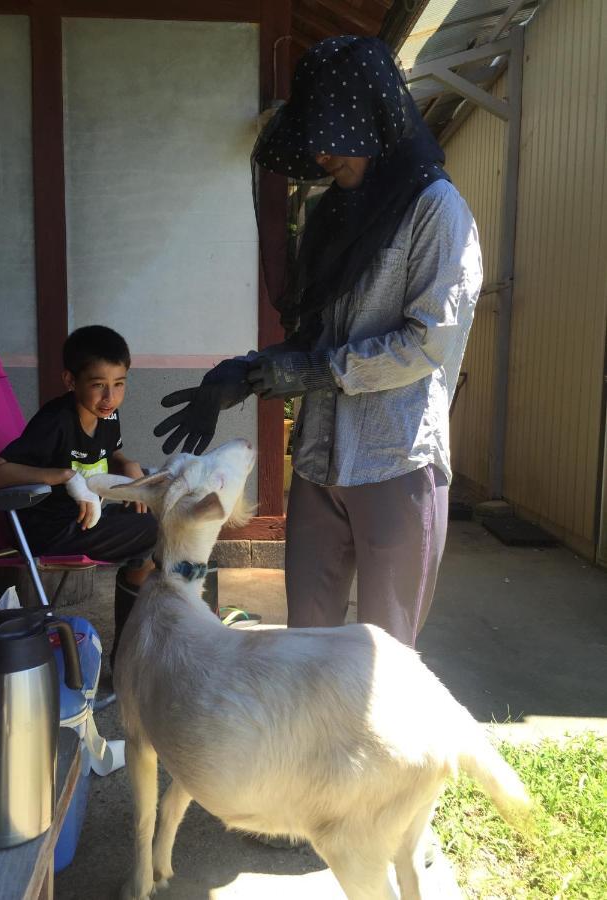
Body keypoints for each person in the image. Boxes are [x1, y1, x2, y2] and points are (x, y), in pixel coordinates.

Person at [155, 35, 482, 648]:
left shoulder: (438, 212)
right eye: (314, 137)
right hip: (318, 459)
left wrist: (317, 374)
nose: (323, 155)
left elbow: (423, 345)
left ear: (376, 120)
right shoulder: (334, 215)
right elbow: (310, 339)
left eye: (336, 135)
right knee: (308, 648)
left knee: (385, 661)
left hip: (395, 459)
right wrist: (246, 374)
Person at [0, 325, 157, 668]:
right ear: (70, 380)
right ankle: (128, 660)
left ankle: (127, 655)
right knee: (156, 532)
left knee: (160, 518)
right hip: (47, 529)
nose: (110, 397)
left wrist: (129, 466)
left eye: (119, 384)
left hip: (85, 521)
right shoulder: (56, 422)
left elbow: (112, 452)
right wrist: (63, 475)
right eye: (98, 385)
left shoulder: (107, 414)